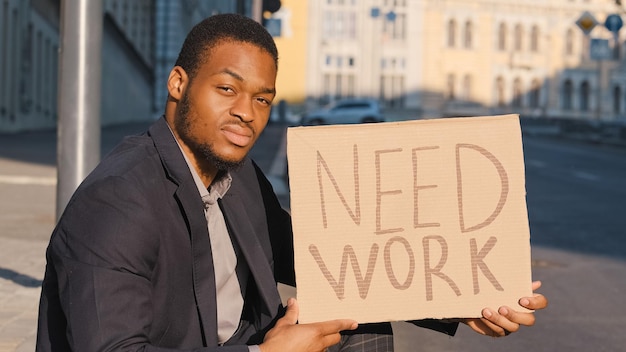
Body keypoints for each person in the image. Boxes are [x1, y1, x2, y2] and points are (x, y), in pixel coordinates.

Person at [36, 13, 547, 352]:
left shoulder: (238, 177)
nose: (245, 113)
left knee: (360, 324)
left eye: (262, 99)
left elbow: (332, 260)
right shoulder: (117, 201)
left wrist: (465, 298)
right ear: (178, 84)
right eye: (227, 88)